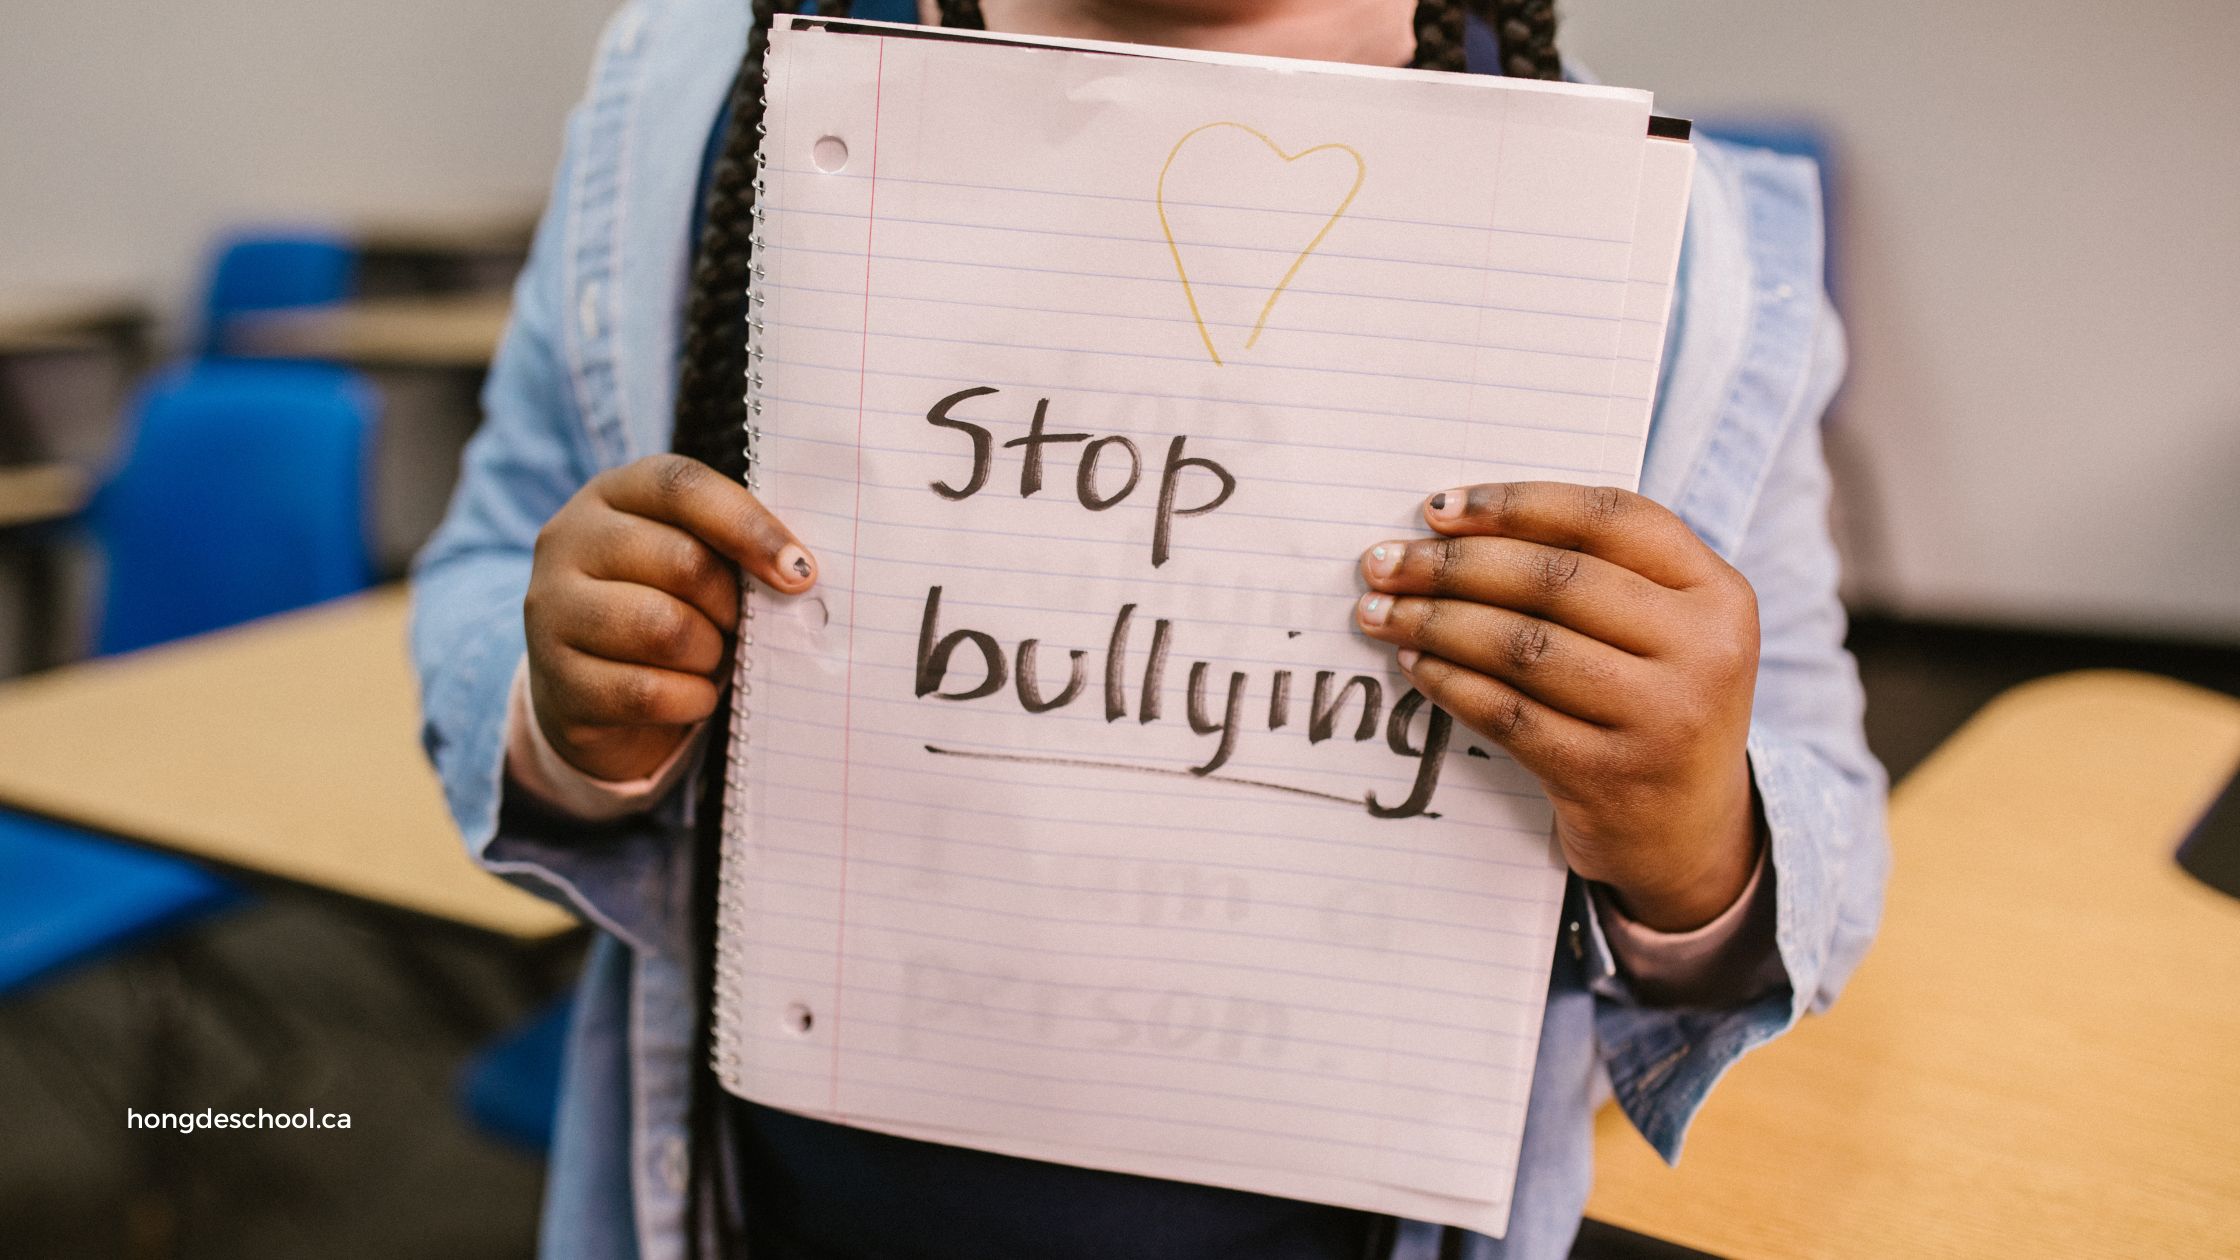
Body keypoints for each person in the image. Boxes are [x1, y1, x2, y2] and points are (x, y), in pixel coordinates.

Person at [410, 1, 1889, 1257]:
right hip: (773, 1201)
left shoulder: (1680, 255)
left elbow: (1820, 798)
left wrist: (1696, 837)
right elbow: (490, 565)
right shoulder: (695, 103)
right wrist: (569, 715)